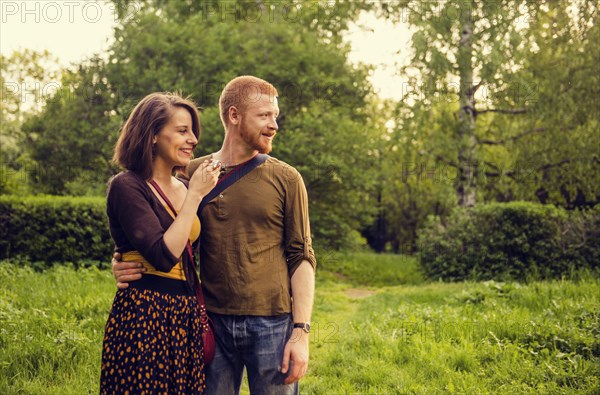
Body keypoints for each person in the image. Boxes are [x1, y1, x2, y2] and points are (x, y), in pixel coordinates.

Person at [112, 76, 317, 394]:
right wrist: (123, 261)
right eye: (264, 115)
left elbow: (301, 256)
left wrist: (300, 333)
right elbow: (150, 222)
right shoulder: (189, 174)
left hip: (273, 325)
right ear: (234, 116)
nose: (274, 124)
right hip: (210, 322)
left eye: (275, 116)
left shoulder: (287, 178)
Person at [101, 92, 220, 394]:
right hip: (144, 314)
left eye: (193, 131)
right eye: (182, 130)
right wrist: (195, 195)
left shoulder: (183, 186)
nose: (193, 139)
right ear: (152, 135)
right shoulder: (127, 186)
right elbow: (163, 255)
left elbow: (194, 254)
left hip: (184, 315)